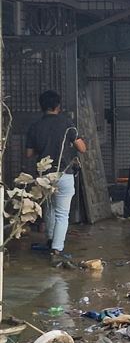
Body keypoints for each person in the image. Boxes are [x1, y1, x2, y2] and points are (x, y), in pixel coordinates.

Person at [26, 91, 87, 265]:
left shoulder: (35, 126)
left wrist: (43, 148)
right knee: (62, 213)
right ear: (58, 106)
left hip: (44, 175)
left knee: (50, 209)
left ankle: (50, 241)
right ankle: (57, 249)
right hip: (64, 173)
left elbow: (29, 153)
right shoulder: (67, 123)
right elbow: (82, 148)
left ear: (42, 106)